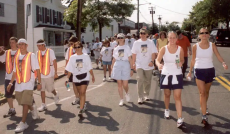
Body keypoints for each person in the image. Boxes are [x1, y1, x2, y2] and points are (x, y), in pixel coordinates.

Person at [187, 28, 228, 126]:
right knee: (202, 93)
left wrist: (223, 63)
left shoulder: (212, 45)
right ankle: (204, 115)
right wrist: (189, 71)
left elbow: (217, 55)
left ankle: (204, 106)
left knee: (206, 92)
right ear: (199, 35)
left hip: (210, 70)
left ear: (209, 35)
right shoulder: (195, 46)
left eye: (206, 33)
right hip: (199, 70)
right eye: (202, 33)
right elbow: (193, 60)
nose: (204, 34)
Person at [7, 39, 41, 133]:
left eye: (23, 44)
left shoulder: (31, 55)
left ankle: (23, 122)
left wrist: (39, 82)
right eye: (19, 44)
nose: (21, 46)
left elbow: (37, 69)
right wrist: (10, 83)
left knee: (25, 103)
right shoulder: (17, 56)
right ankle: (33, 109)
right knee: (21, 101)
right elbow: (14, 71)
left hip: (29, 83)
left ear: (26, 45)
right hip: (18, 84)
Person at [156, 31, 185, 128]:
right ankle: (167, 109)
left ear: (176, 38)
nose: (172, 39)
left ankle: (180, 118)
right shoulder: (163, 49)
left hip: (177, 74)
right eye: (170, 37)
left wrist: (181, 63)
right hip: (166, 73)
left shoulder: (180, 49)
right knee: (167, 94)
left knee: (177, 97)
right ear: (168, 38)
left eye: (174, 37)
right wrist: (159, 64)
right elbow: (157, 60)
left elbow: (182, 60)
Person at [65, 41, 95, 119]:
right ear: (74, 49)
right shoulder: (72, 57)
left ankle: (81, 110)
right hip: (76, 77)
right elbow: (70, 69)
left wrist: (93, 76)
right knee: (80, 93)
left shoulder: (86, 56)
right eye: (75, 47)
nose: (77, 49)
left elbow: (89, 67)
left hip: (85, 76)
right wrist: (67, 78)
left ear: (82, 47)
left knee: (82, 92)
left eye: (79, 47)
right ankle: (83, 105)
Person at [132, 28, 158, 104]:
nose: (142, 35)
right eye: (141, 33)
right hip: (139, 64)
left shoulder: (150, 42)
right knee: (140, 79)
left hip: (148, 64)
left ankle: (146, 94)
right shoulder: (136, 43)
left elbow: (153, 53)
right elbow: (134, 54)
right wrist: (133, 63)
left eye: (144, 33)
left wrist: (152, 61)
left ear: (147, 34)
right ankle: (140, 97)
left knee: (147, 81)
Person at [36, 39, 59, 112]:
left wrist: (56, 72)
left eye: (39, 46)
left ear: (43, 45)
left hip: (49, 74)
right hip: (41, 75)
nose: (38, 47)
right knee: (42, 90)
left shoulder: (50, 51)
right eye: (37, 46)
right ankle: (43, 105)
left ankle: (55, 94)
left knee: (50, 89)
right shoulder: (37, 53)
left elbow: (54, 62)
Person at [111, 33, 133, 106]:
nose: (120, 39)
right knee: (119, 83)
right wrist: (112, 67)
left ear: (124, 39)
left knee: (125, 84)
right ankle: (121, 99)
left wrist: (132, 69)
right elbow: (114, 58)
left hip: (125, 64)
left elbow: (130, 58)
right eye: (118, 38)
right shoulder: (116, 48)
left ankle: (127, 93)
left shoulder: (127, 47)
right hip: (117, 65)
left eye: (121, 37)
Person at [0, 37, 19, 118]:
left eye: (13, 42)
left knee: (22, 94)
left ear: (17, 43)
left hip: (19, 78)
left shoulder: (20, 52)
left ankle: (31, 106)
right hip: (8, 77)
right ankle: (12, 109)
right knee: (8, 94)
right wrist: (0, 52)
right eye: (10, 42)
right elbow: (1, 59)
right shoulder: (6, 52)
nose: (11, 44)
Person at [65, 36, 87, 106]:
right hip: (72, 70)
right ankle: (77, 97)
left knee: (81, 85)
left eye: (72, 43)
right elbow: (67, 59)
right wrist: (66, 69)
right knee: (74, 84)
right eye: (70, 44)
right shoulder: (69, 49)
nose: (71, 45)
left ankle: (82, 99)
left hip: (81, 70)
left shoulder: (82, 49)